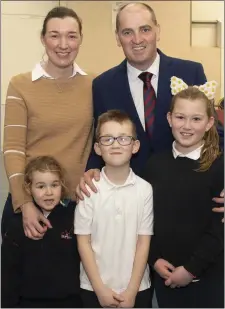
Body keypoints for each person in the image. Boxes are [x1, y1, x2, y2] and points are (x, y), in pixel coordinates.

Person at [76, 1, 224, 230]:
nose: (137, 39)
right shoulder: (103, 85)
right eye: (127, 32)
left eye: (145, 29)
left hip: (188, 200)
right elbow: (102, 137)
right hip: (129, 203)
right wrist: (90, 170)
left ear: (157, 30)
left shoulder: (190, 71)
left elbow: (216, 134)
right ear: (118, 38)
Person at [2, 6, 94, 239]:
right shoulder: (20, 85)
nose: (63, 44)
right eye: (54, 35)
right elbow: (13, 149)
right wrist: (24, 204)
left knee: (71, 277)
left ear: (81, 39)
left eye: (71, 36)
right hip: (30, 207)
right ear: (43, 39)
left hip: (77, 208)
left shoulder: (95, 85)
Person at [143, 79, 224, 308]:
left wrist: (191, 269)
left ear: (209, 123)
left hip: (209, 280)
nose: (187, 126)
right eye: (180, 117)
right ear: (169, 119)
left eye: (196, 119)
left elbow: (220, 227)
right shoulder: (154, 165)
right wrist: (154, 258)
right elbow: (145, 219)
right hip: (163, 276)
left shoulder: (219, 167)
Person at [74, 110, 154, 308]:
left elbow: (143, 242)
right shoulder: (89, 188)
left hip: (137, 288)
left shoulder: (144, 189)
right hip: (94, 288)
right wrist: (100, 290)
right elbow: (83, 242)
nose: (116, 144)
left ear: (135, 146)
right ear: (98, 148)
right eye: (107, 139)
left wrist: (132, 291)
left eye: (123, 138)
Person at [1, 156, 82, 308]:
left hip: (69, 302)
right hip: (28, 302)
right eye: (41, 186)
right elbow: (8, 274)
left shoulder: (75, 216)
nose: (49, 192)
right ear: (28, 188)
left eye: (54, 185)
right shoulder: (16, 223)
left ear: (62, 185)